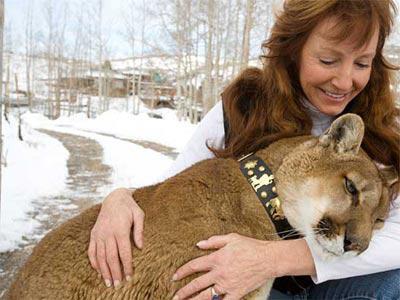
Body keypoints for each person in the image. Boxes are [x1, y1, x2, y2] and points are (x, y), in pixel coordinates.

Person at [88, 0, 400, 299]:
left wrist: (274, 258)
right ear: (295, 50)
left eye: (362, 63)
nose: (345, 82)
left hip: (328, 284)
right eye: (328, 60)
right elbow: (174, 184)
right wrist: (121, 198)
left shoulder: (385, 132)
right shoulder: (245, 105)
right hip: (245, 283)